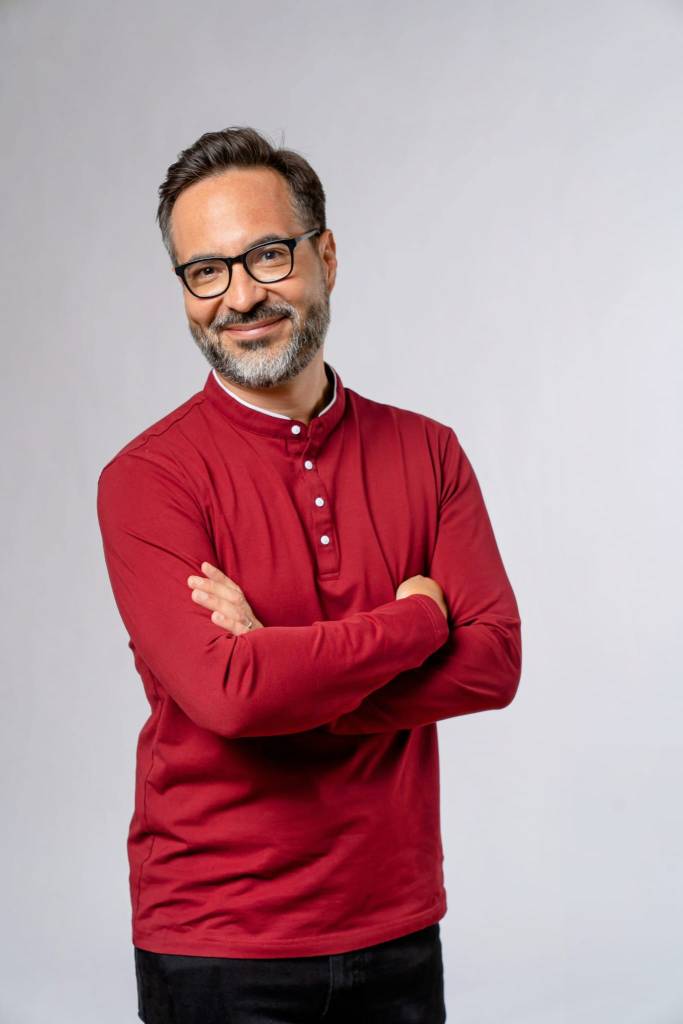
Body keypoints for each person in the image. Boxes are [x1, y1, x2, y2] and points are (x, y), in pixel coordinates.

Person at [96, 125, 522, 1024]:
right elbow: (232, 699)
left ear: (324, 254)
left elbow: (493, 664)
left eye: (267, 255)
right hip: (215, 941)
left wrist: (283, 668)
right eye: (204, 271)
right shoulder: (147, 479)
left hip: (397, 922)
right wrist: (414, 625)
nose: (240, 295)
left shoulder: (427, 451)